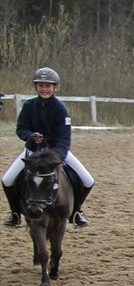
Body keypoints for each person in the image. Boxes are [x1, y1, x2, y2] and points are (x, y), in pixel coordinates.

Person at [3, 67, 94, 228]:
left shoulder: (61, 109)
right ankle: (15, 213)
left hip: (56, 153)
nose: (44, 89)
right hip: (33, 152)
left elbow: (64, 138)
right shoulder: (29, 106)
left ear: (54, 88)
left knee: (87, 180)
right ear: (36, 87)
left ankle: (76, 212)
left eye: (48, 86)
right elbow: (21, 129)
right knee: (7, 179)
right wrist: (30, 136)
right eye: (41, 85)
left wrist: (56, 157)